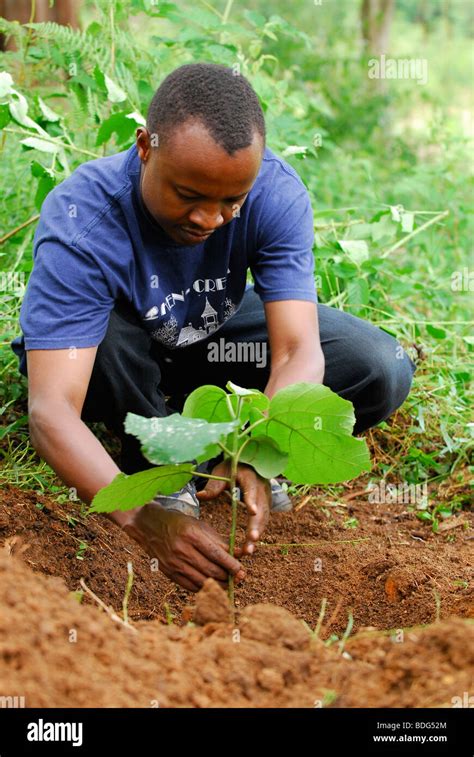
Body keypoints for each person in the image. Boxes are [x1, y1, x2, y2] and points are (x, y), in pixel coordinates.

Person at [11, 63, 415, 593]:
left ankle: (215, 447)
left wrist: (256, 447)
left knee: (379, 367)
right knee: (105, 332)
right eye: (188, 195)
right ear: (144, 148)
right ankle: (158, 464)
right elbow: (52, 410)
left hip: (205, 343)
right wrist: (140, 521)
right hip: (111, 360)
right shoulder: (84, 215)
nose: (209, 219)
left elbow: (298, 350)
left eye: (231, 202)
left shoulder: (275, 192)